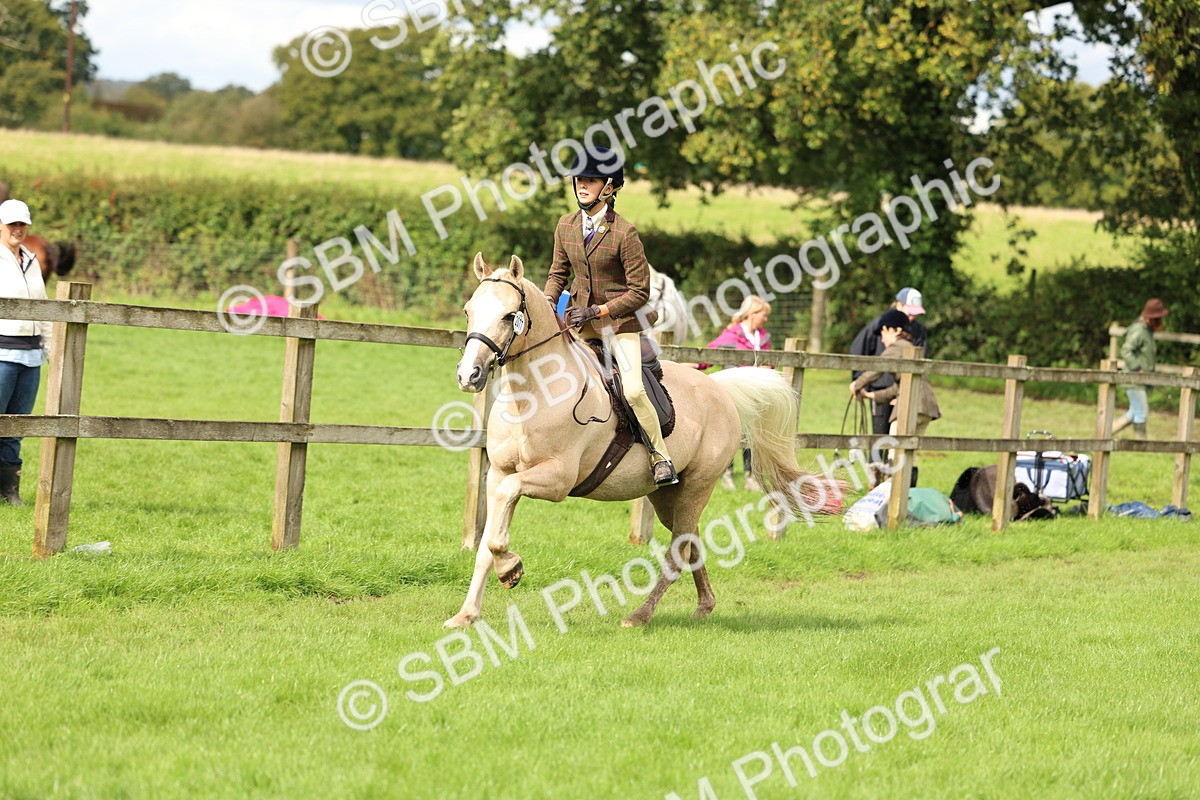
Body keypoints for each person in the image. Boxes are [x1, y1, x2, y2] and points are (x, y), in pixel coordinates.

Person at [542, 146, 678, 486]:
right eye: (579, 180)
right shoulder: (566, 225)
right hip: (579, 322)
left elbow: (639, 292)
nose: (582, 186)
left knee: (632, 390)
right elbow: (558, 274)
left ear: (610, 187)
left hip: (619, 326)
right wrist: (547, 301)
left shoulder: (625, 233)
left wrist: (599, 309)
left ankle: (660, 455)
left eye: (591, 180)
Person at [849, 309, 940, 484]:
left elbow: (877, 368)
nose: (882, 339)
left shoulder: (896, 348)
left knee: (894, 453)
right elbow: (897, 389)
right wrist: (870, 395)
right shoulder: (910, 348)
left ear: (891, 330)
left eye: (883, 333)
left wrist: (856, 384)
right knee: (909, 456)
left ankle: (892, 499)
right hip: (926, 408)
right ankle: (908, 497)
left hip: (911, 406)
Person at [0, 199, 50, 506]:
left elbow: (45, 308)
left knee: (17, 427)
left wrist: (51, 348)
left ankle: (8, 493)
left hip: (31, 357)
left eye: (22, 224)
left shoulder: (31, 260)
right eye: (12, 224)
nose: (18, 229)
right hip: (2, 353)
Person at [702, 295, 771, 491]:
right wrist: (685, 364)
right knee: (731, 433)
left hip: (755, 393)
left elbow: (770, 362)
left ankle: (751, 476)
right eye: (763, 315)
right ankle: (727, 474)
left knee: (752, 434)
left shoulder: (763, 337)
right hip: (733, 393)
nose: (765, 319)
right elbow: (708, 354)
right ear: (752, 313)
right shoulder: (731, 335)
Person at [849, 287, 929, 435]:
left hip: (904, 392)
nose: (912, 317)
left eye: (915, 313)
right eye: (910, 311)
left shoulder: (918, 331)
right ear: (898, 305)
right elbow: (858, 350)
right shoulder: (881, 325)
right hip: (880, 388)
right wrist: (859, 382)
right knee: (879, 437)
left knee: (899, 438)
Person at [1113, 298, 1169, 439]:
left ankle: (1103, 433)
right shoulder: (1139, 330)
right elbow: (1126, 350)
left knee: (1133, 412)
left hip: (1139, 379)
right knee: (1141, 412)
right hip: (1134, 378)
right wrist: (1136, 367)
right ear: (1152, 318)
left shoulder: (1147, 331)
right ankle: (1141, 443)